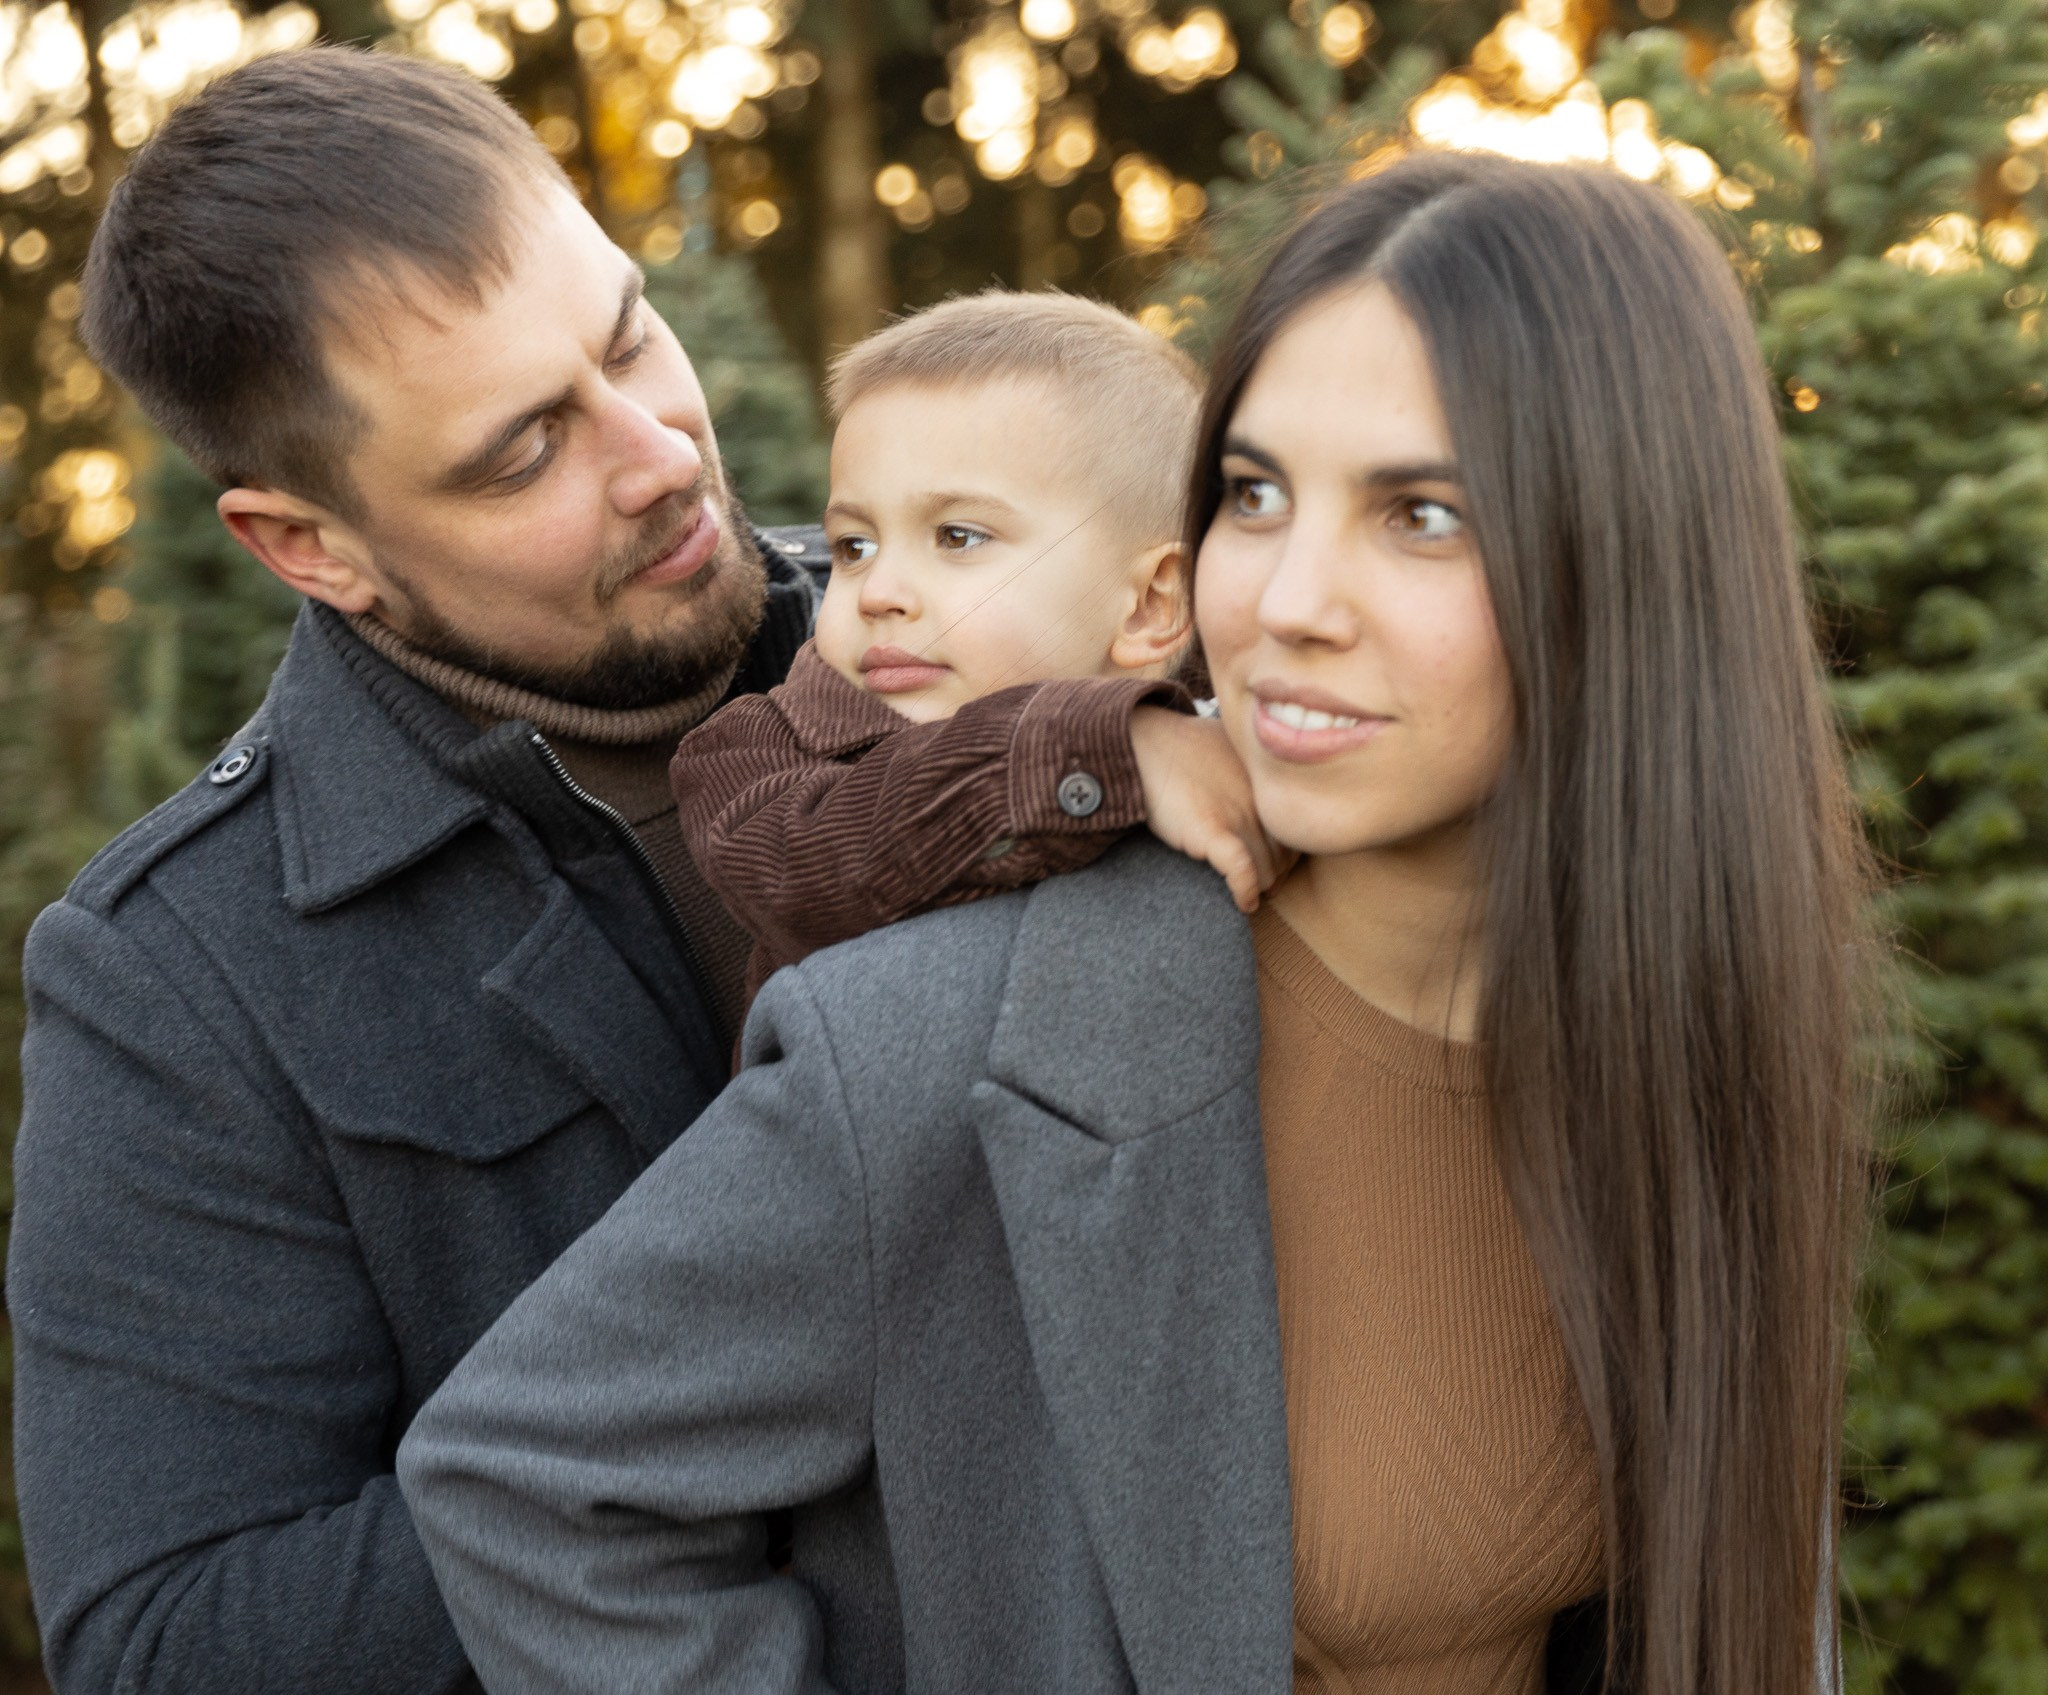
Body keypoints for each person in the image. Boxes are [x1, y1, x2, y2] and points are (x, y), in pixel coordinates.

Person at [397, 152, 1874, 1695]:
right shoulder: (939, 1043)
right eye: (1255, 492)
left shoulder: (1699, 1027)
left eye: (1421, 512)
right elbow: (530, 1486)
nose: (1290, 596)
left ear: (1640, 570)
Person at [5, 47, 1225, 1695]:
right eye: (522, 451)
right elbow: (173, 1641)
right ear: (311, 546)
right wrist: (741, 1431)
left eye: (628, 333)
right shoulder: (184, 973)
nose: (654, 450)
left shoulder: (998, 631)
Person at [674, 289, 1281, 1010]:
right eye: (854, 546)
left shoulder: (1244, 737)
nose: (879, 591)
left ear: (1152, 604)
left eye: (957, 536)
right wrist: (1104, 753)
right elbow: (805, 874)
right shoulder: (758, 760)